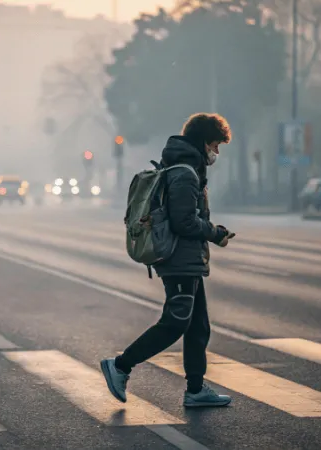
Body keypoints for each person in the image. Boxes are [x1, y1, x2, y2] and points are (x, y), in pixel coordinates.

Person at [101, 113, 236, 408]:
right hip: (180, 259)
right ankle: (121, 365)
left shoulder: (182, 167)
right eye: (215, 145)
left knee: (198, 325)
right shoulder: (185, 173)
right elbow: (184, 222)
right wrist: (215, 233)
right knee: (175, 322)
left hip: (186, 259)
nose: (216, 152)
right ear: (203, 141)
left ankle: (196, 390)